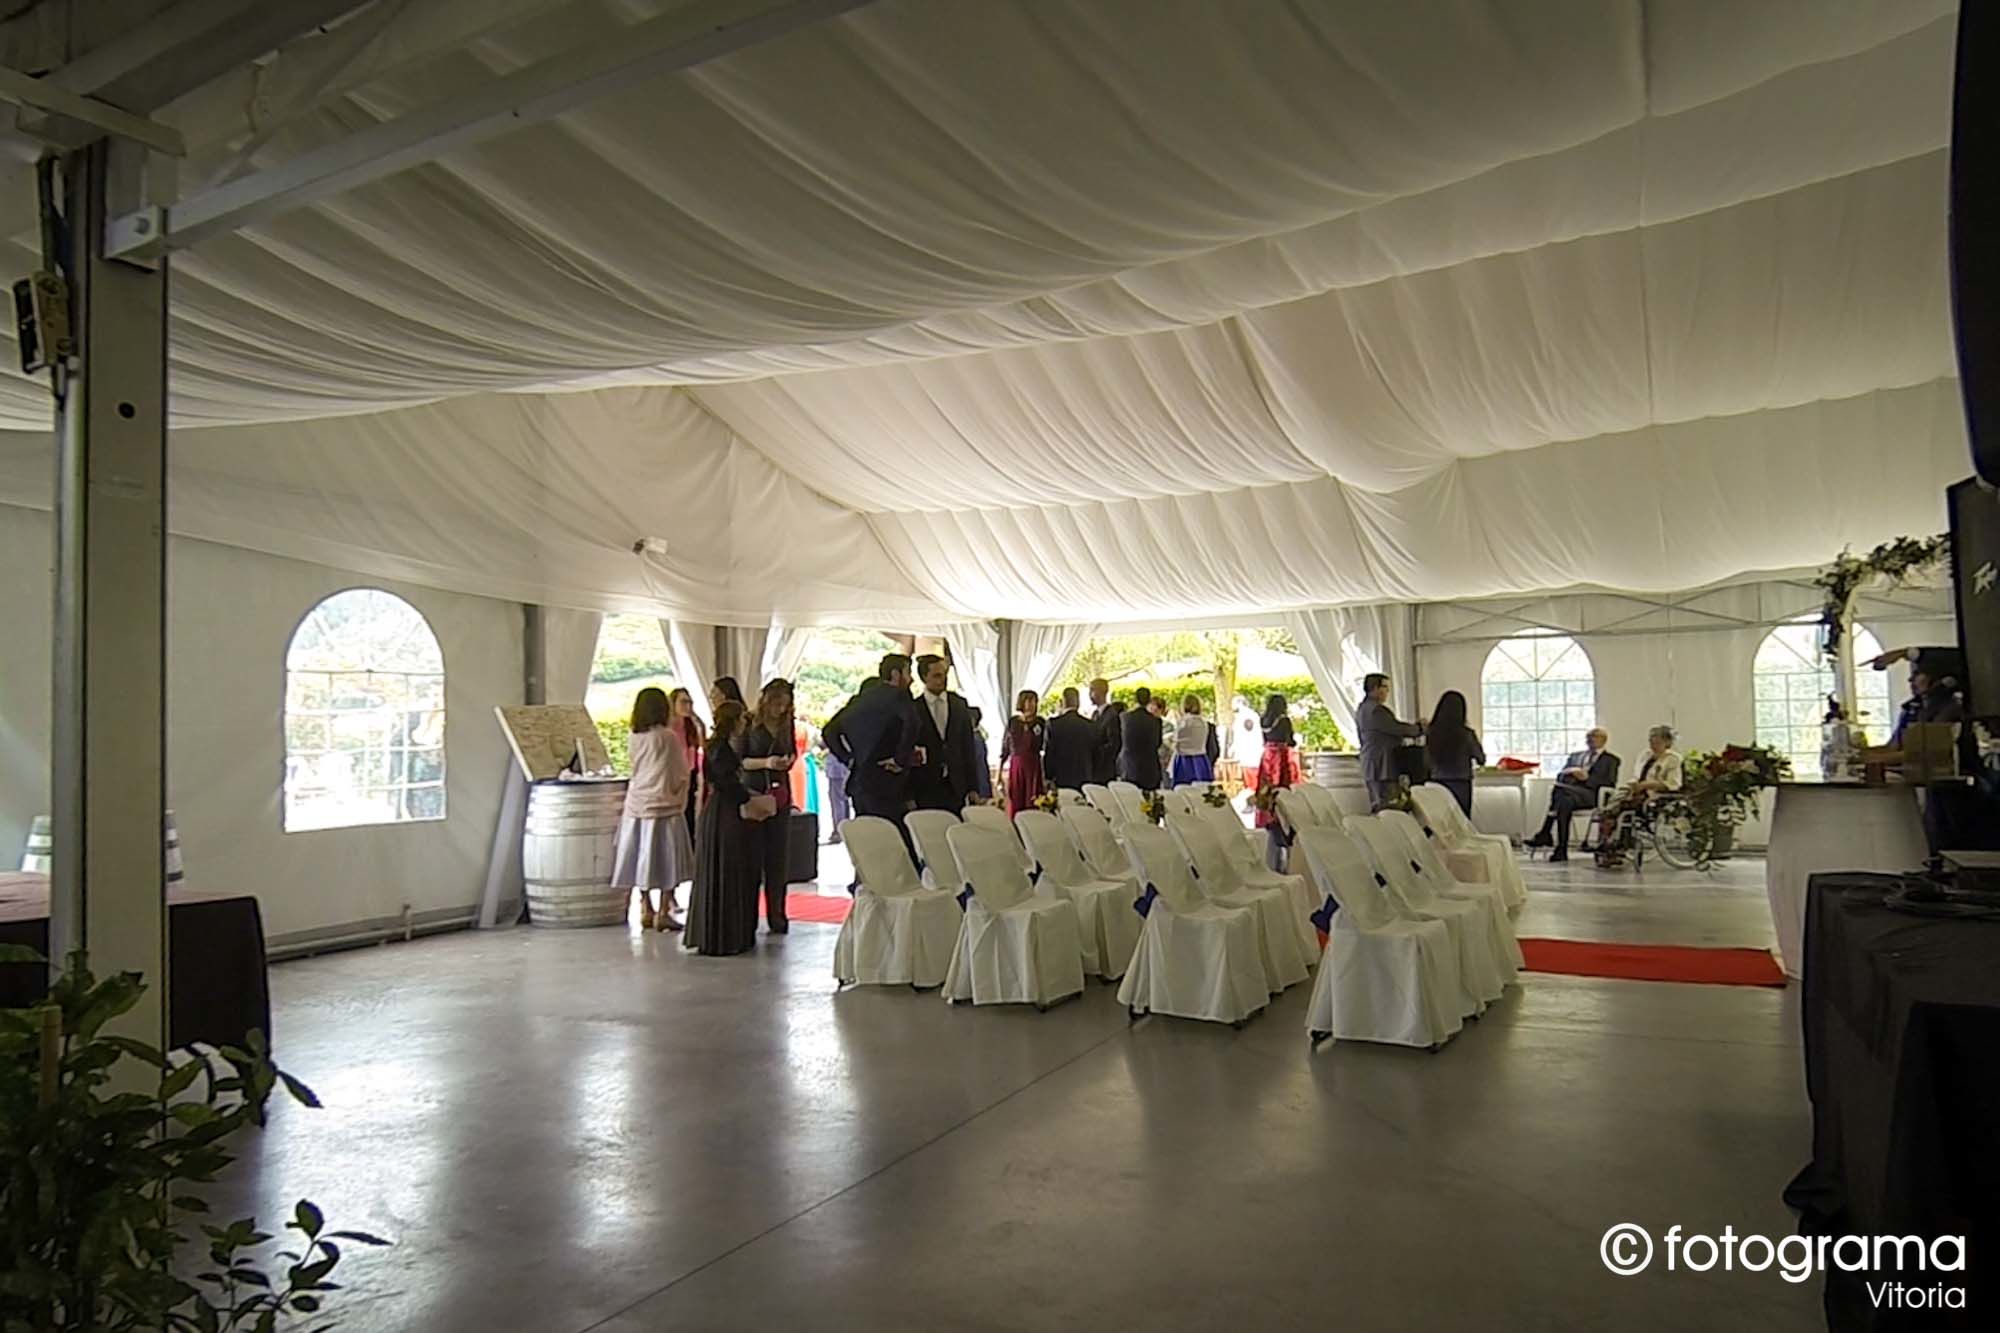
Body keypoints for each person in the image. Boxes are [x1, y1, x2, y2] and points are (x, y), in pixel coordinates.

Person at [822, 654, 921, 867]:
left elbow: (829, 731)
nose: (911, 680)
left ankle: (865, 890)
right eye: (908, 673)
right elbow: (913, 723)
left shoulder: (860, 699)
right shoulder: (899, 697)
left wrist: (848, 758)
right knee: (897, 846)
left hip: (860, 782)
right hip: (889, 784)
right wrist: (900, 758)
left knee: (868, 847)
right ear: (896, 674)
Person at [610, 686, 693, 932]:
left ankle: (646, 907)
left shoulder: (633, 736)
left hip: (637, 802)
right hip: (664, 802)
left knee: (642, 856)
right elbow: (679, 770)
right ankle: (665, 909)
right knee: (668, 858)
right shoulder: (666, 737)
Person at [688, 699, 766, 956]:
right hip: (726, 814)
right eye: (743, 720)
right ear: (734, 721)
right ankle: (727, 935)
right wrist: (749, 798)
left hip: (720, 811)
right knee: (729, 868)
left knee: (725, 869)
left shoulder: (716, 747)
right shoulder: (721, 750)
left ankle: (727, 934)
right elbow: (727, 784)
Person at [740, 679, 797, 934]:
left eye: (785, 705)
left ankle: (778, 912)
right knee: (753, 856)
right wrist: (766, 762)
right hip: (755, 791)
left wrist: (787, 761)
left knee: (779, 857)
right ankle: (749, 915)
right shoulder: (749, 723)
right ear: (766, 700)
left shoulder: (787, 725)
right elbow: (740, 760)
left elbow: (793, 751)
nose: (780, 709)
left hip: (780, 793)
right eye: (777, 703)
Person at [1594, 726, 1685, 868]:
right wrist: (1635, 784)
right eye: (1651, 741)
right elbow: (1637, 776)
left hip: (1654, 795)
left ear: (1667, 742)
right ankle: (1608, 846)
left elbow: (1673, 784)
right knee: (1609, 808)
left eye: (1656, 742)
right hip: (1636, 790)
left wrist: (1647, 785)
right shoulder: (1645, 755)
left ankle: (1617, 846)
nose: (1652, 745)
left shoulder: (1673, 759)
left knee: (1623, 809)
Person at [1527, 728, 1619, 862]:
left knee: (1559, 791)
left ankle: (1545, 833)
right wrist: (1570, 772)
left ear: (1603, 740)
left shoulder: (1611, 760)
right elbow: (1560, 775)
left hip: (1591, 795)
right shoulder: (1576, 756)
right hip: (1570, 795)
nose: (1591, 739)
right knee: (1564, 803)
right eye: (1588, 737)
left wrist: (1586, 778)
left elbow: (1609, 783)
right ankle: (1561, 850)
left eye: (1595, 737)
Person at [908, 653, 983, 811]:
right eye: (936, 675)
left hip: (956, 784)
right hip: (925, 785)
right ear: (924, 678)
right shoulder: (914, 708)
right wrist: (909, 794)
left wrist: (973, 787)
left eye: (944, 675)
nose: (942, 679)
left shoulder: (958, 704)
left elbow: (967, 747)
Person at [1355, 672, 1423, 811]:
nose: (1387, 692)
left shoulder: (1362, 709)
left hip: (1373, 762)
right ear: (1374, 688)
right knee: (1388, 805)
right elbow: (1396, 728)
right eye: (1385, 687)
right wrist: (1419, 728)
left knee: (1380, 802)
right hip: (1382, 764)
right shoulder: (1376, 711)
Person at [1423, 689, 1485, 816]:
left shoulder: (1432, 733)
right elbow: (1480, 758)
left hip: (1437, 781)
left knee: (1440, 821)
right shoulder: (1466, 734)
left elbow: (1426, 760)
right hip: (1460, 781)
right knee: (1462, 821)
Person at [1254, 694, 1298, 847]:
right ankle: (1280, 819)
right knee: (1281, 788)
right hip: (1280, 756)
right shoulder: (1284, 720)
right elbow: (1291, 741)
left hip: (1267, 755)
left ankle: (1264, 817)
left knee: (1265, 788)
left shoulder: (1263, 720)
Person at [668, 686, 706, 850]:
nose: (687, 706)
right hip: (674, 774)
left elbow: (702, 745)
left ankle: (690, 848)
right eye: (683, 702)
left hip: (690, 772)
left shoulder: (690, 725)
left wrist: (699, 723)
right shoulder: (668, 728)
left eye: (690, 702)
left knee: (689, 812)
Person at [1000, 690, 1047, 814]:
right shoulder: (1013, 722)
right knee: (1016, 800)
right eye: (1029, 701)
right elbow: (1005, 748)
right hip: (1017, 766)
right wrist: (999, 773)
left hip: (1033, 766)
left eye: (1035, 701)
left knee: (1034, 801)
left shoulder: (1040, 722)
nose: (1032, 704)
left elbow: (1045, 745)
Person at [1042, 687, 1096, 791]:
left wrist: (1048, 777)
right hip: (1084, 775)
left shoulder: (1053, 724)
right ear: (1078, 702)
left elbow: (1049, 752)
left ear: (1062, 702)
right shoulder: (1089, 725)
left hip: (1061, 775)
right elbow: (1095, 752)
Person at [1119, 686, 1165, 789]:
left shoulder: (1125, 718)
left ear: (1135, 699)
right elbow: (1158, 743)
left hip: (1130, 768)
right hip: (1150, 769)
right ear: (1149, 700)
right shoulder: (1155, 721)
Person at [1170, 694, 1220, 787]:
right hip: (1201, 759)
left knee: (1183, 789)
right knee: (1203, 789)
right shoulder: (1204, 723)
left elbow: (1176, 743)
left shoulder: (1183, 723)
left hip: (1184, 760)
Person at [1088, 678, 1122, 785]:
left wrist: (1094, 753)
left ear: (1101, 691)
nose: (1090, 694)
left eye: (1092, 690)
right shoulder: (1095, 714)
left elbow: (1114, 744)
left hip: (1104, 772)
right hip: (1094, 771)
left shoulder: (1112, 716)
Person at [1820, 698, 1860, 781]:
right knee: (1832, 756)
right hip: (1834, 744)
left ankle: (1837, 771)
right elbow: (1827, 732)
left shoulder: (1842, 721)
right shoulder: (1830, 718)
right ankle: (1830, 771)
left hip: (1841, 743)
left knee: (1841, 756)